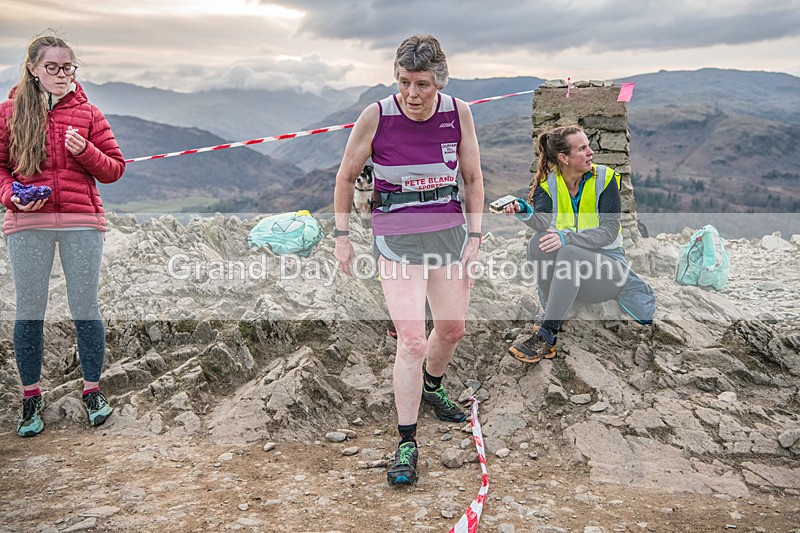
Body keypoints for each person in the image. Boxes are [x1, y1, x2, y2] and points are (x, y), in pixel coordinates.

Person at [333, 34, 484, 485]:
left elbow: (473, 179)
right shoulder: (376, 115)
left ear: (439, 81)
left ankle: (433, 387)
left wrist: (476, 234)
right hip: (396, 237)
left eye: (422, 84)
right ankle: (406, 441)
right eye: (404, 83)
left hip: (448, 233)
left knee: (452, 328)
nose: (412, 95)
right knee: (412, 341)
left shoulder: (458, 113)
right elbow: (345, 177)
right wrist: (342, 237)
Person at [0, 33, 126, 437]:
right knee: (30, 310)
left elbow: (114, 169)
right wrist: (12, 196)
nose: (61, 74)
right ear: (33, 69)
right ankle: (31, 400)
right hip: (28, 225)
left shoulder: (88, 113)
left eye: (67, 67)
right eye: (51, 67)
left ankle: (93, 393)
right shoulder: (8, 113)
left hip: (82, 221)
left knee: (85, 306)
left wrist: (85, 150)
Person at [503, 124, 655, 363]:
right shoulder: (549, 184)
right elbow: (543, 221)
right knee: (537, 243)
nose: (590, 152)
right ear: (564, 158)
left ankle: (547, 335)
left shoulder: (605, 179)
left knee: (569, 253)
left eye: (588, 146)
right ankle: (556, 305)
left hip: (607, 272)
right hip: (571, 276)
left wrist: (566, 238)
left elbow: (608, 231)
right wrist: (524, 211)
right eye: (582, 148)